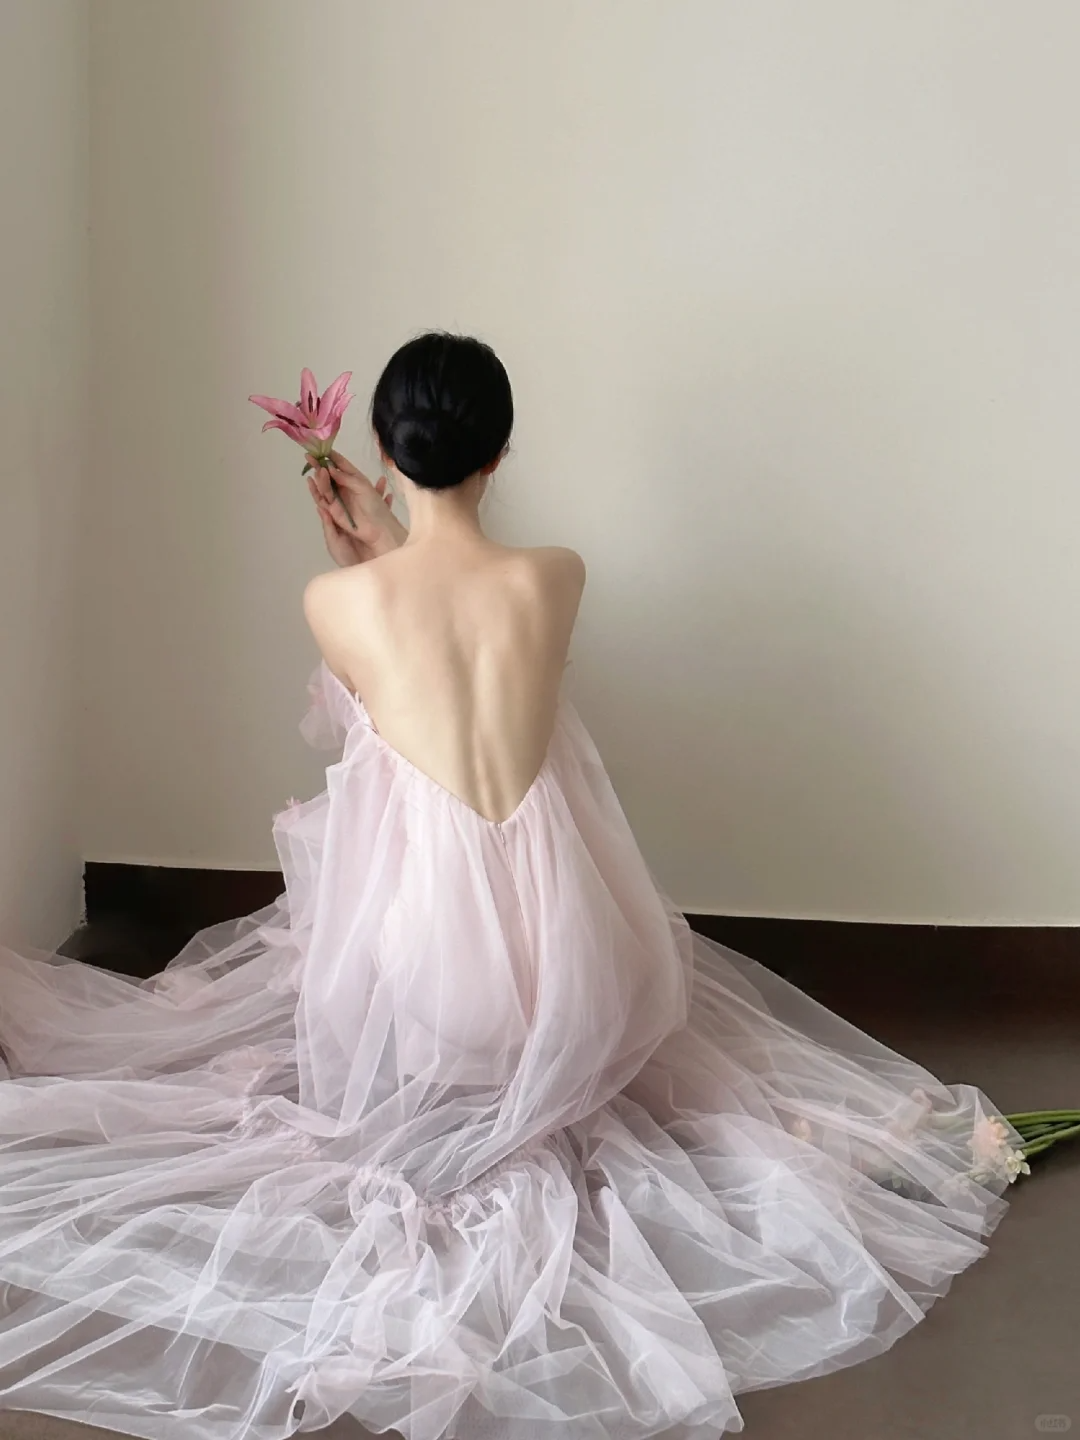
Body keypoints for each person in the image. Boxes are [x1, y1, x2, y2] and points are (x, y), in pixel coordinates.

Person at [0, 332, 1022, 1440]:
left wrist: (374, 548)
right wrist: (402, 538)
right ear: (499, 454)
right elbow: (472, 646)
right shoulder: (555, 576)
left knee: (338, 941)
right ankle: (535, 1065)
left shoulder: (336, 601)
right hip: (581, 971)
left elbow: (384, 696)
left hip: (434, 989)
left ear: (384, 449)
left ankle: (464, 1076)